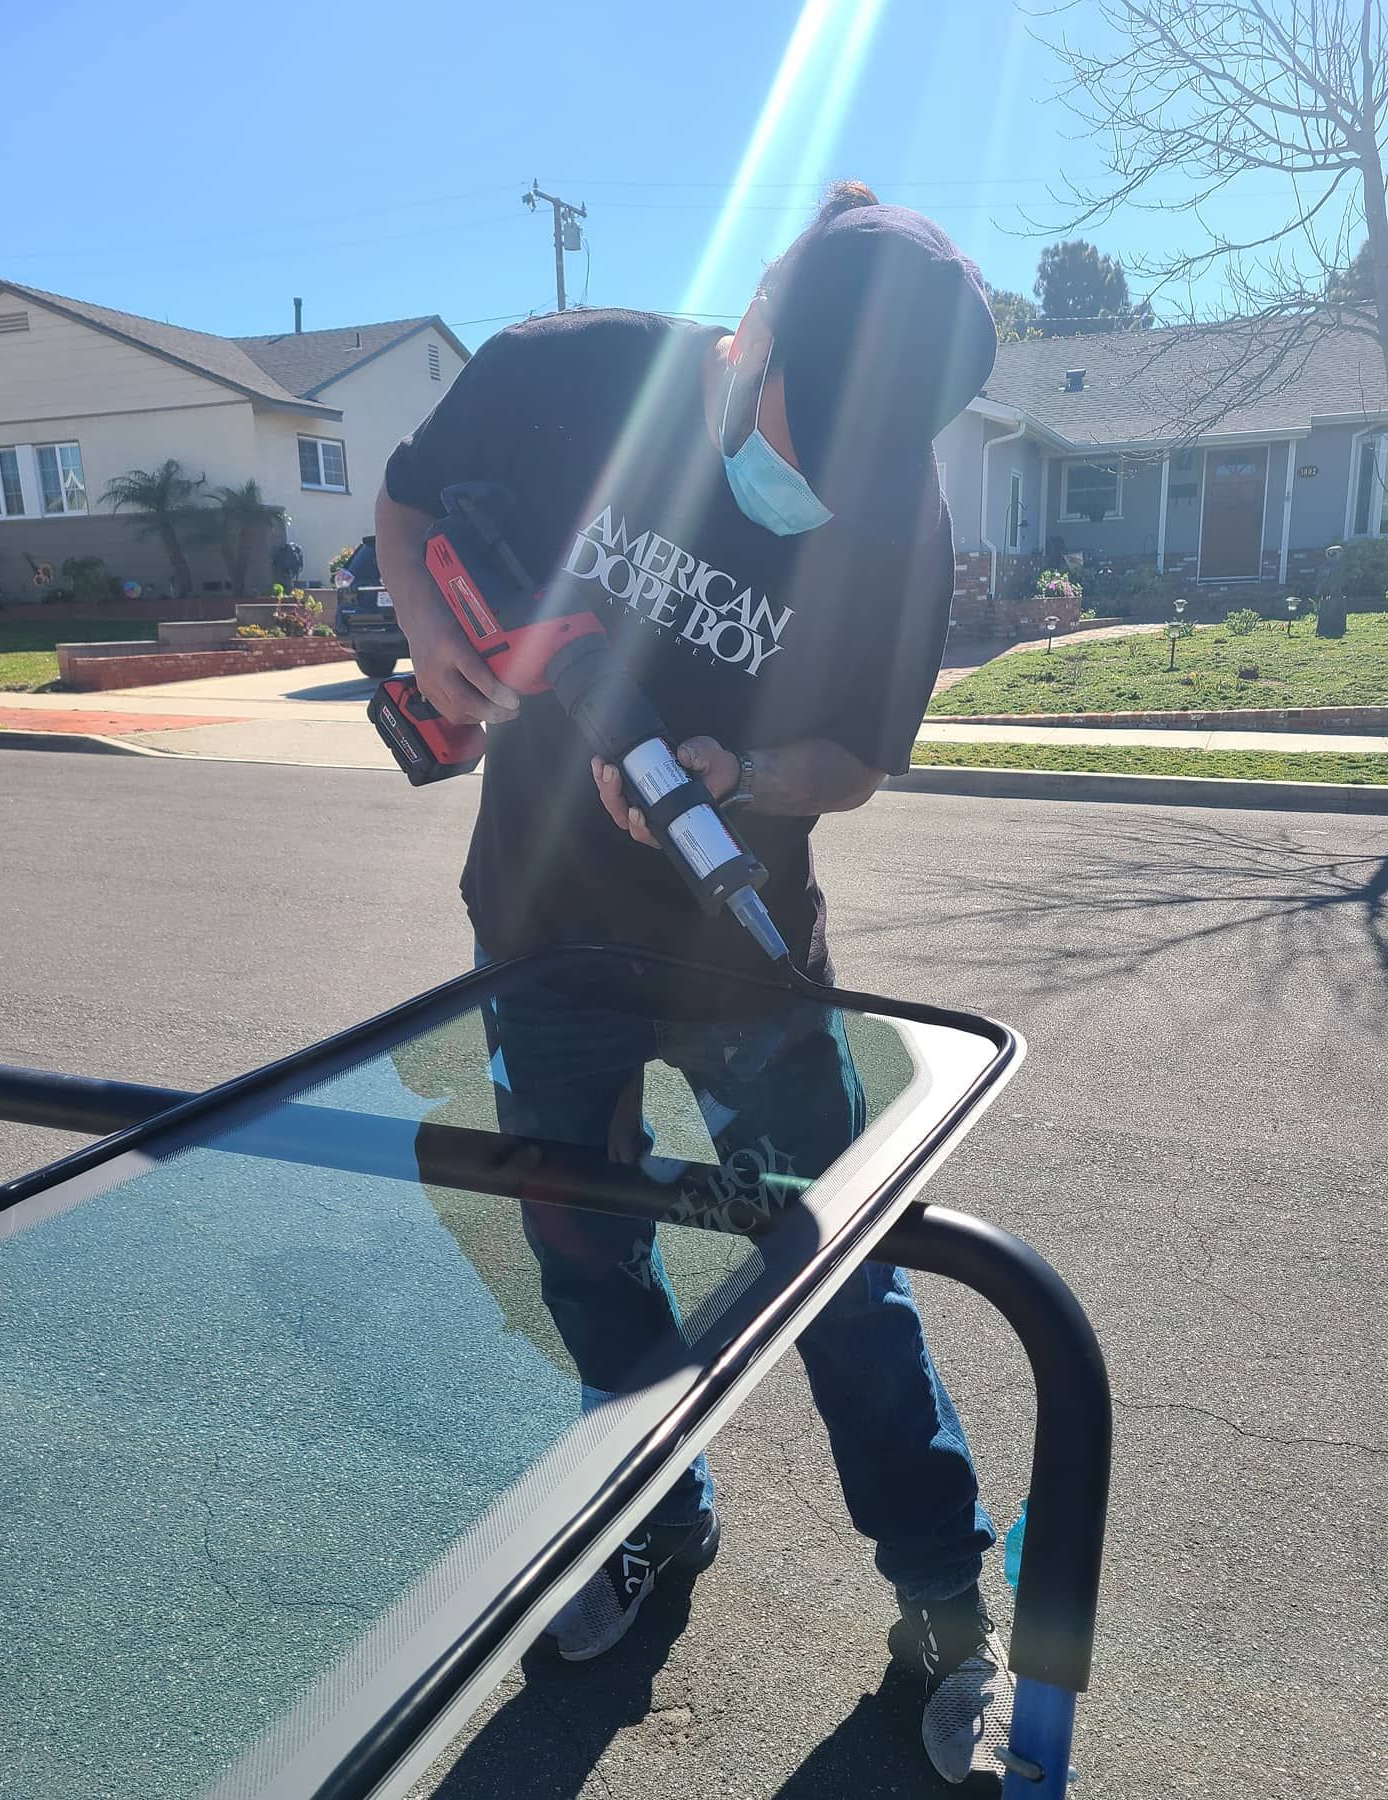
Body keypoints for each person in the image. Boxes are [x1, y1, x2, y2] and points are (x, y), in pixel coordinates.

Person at [376, 182, 1010, 1789]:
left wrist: (746, 771)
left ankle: (947, 1604)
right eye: (805, 441)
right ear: (760, 336)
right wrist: (429, 634)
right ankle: (653, 1528)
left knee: (837, 1278)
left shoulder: (902, 520)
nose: (817, 491)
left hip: (747, 964)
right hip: (542, 947)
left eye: (859, 477)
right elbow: (404, 501)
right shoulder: (567, 375)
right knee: (585, 1252)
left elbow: (857, 762)